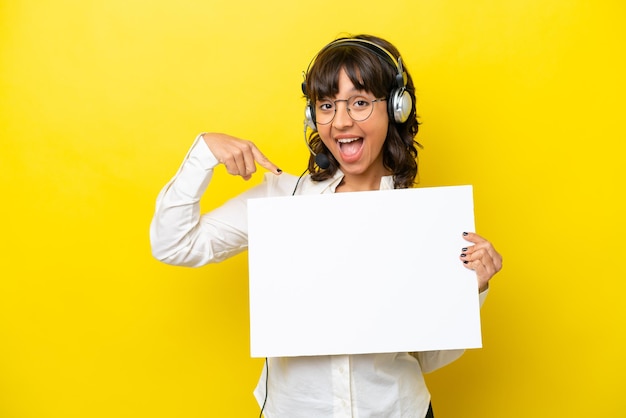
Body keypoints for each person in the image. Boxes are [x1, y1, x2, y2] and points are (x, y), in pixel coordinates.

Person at [150, 34, 502, 418]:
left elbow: (429, 357)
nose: (342, 121)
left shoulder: (422, 220)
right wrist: (204, 152)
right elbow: (173, 244)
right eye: (327, 105)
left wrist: (473, 290)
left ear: (398, 108)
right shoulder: (282, 199)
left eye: (361, 102)